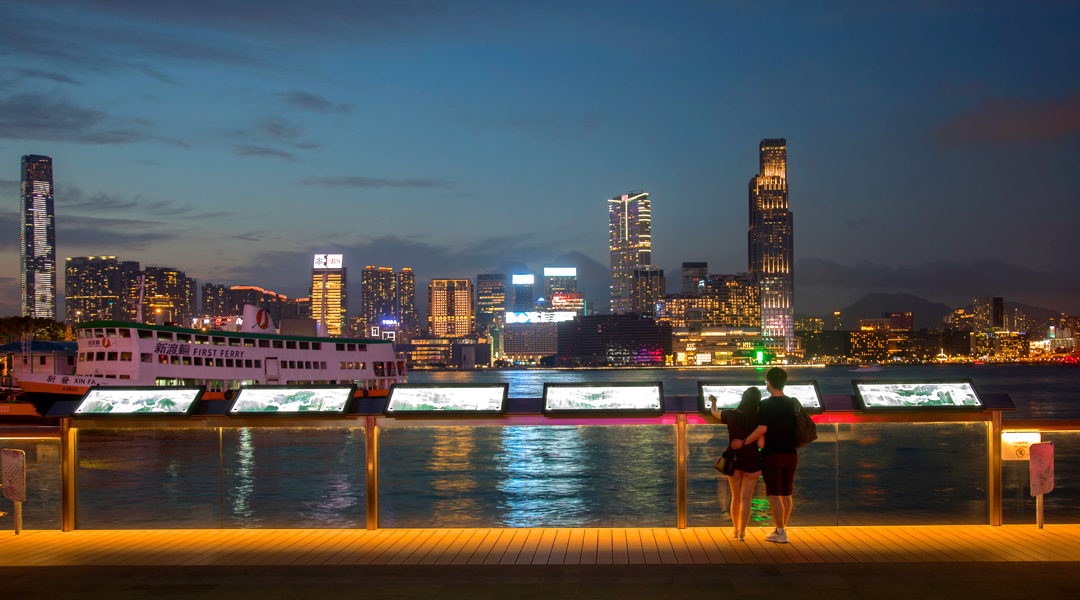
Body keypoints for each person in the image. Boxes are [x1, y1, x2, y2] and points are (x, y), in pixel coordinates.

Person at [731, 367, 798, 544]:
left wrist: (743, 442)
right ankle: (781, 528)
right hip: (791, 453)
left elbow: (762, 429)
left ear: (768, 383)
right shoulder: (792, 402)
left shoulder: (766, 405)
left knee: (775, 493)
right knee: (786, 492)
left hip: (772, 454)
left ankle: (781, 532)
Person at [709, 388, 764, 541]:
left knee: (735, 497)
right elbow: (761, 441)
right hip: (752, 459)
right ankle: (743, 533)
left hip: (733, 459)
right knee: (747, 498)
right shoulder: (759, 418)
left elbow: (714, 412)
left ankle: (735, 529)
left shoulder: (731, 415)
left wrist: (713, 402)